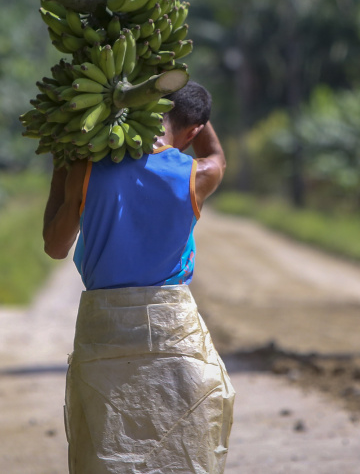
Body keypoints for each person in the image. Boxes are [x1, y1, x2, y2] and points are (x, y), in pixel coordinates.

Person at [42, 81, 235, 474]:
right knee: (185, 453)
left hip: (104, 335)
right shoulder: (195, 173)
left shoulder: (86, 166)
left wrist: (63, 166)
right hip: (175, 334)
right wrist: (178, 85)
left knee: (107, 454)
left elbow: (55, 247)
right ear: (194, 130)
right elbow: (216, 155)